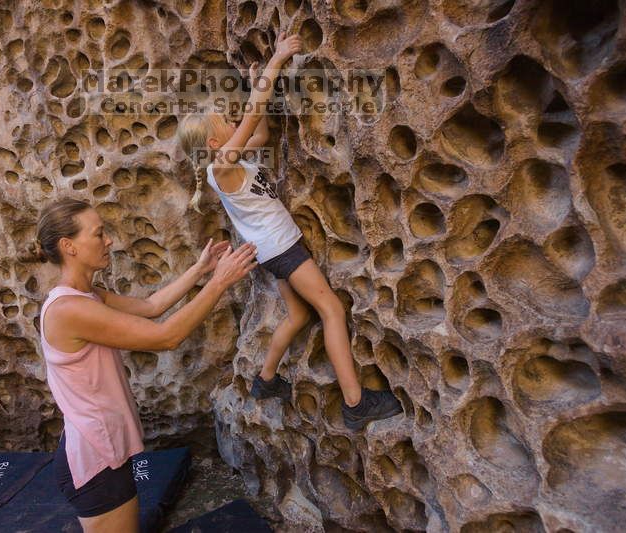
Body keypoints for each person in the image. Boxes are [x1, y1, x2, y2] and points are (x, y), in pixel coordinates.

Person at [175, 32, 402, 431]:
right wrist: (276, 62)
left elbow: (258, 132)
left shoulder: (233, 164)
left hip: (270, 252)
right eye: (225, 123)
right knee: (330, 309)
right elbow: (250, 120)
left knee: (298, 313)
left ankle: (265, 381)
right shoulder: (220, 168)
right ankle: (355, 403)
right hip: (283, 248)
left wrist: (252, 84)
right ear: (214, 142)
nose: (234, 122)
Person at [33, 199, 257, 533]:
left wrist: (200, 270)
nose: (108, 240)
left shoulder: (87, 296)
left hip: (102, 449)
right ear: (69, 246)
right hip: (96, 461)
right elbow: (167, 336)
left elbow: (152, 306)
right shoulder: (69, 310)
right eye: (98, 234)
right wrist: (219, 283)